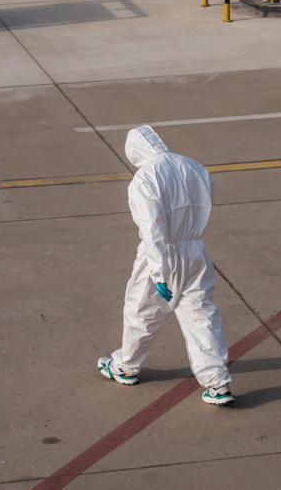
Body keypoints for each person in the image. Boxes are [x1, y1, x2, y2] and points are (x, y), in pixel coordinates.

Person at [97, 125, 234, 405]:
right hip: (196, 249)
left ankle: (126, 366)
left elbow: (152, 230)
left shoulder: (144, 178)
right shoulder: (192, 166)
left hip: (162, 256)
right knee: (202, 316)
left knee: (142, 311)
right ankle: (218, 383)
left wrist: (160, 272)